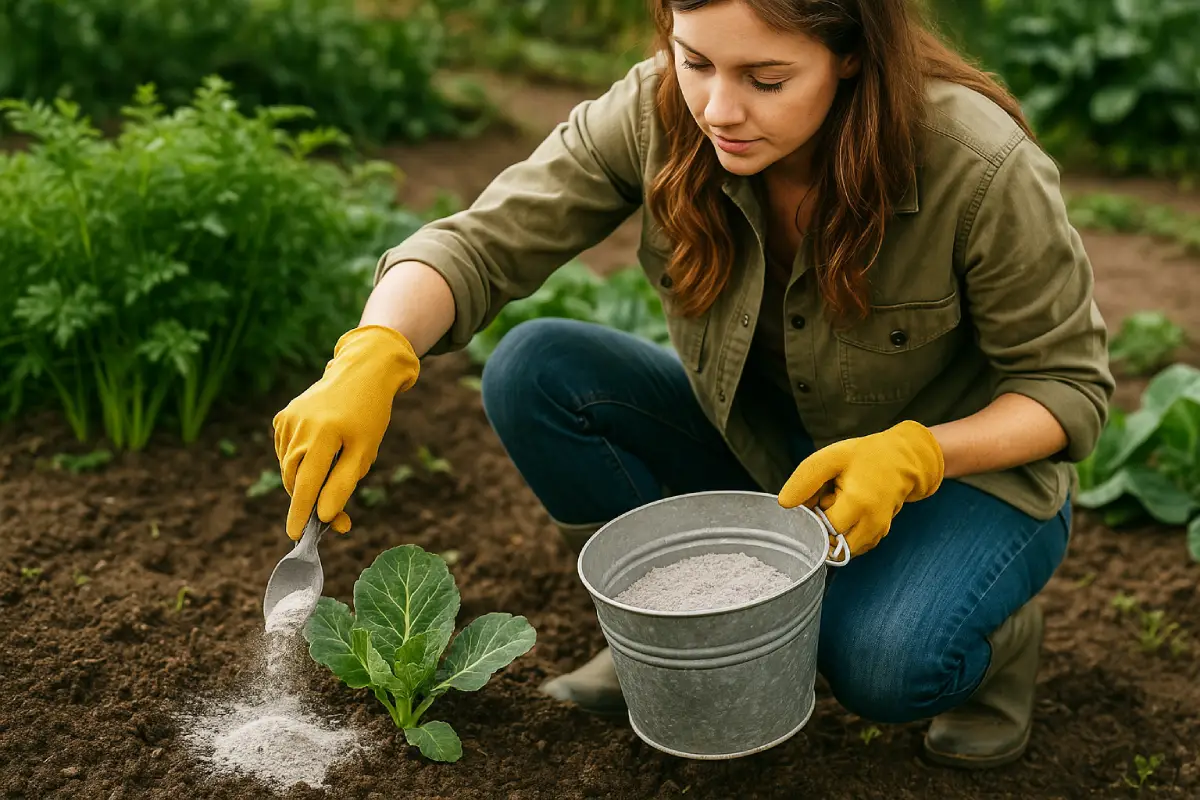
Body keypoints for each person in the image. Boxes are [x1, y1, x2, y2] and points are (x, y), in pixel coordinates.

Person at [271, 0, 1114, 770]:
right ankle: (659, 633)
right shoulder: (656, 114)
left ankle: (997, 647)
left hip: (962, 480)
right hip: (770, 449)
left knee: (884, 667)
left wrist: (915, 454)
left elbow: (1067, 386)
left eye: (765, 79)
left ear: (852, 52)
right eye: (695, 60)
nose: (717, 108)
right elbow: (480, 244)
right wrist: (373, 352)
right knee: (537, 369)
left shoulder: (976, 162)